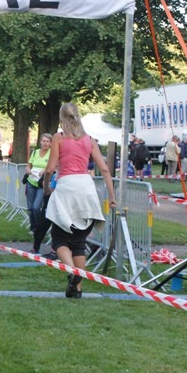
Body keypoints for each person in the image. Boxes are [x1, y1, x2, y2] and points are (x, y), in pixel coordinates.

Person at [43, 102, 116, 299]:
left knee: (59, 238)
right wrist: (112, 196)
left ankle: (72, 272)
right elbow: (105, 169)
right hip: (86, 188)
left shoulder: (59, 138)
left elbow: (50, 168)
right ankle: (78, 288)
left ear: (61, 118)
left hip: (67, 187)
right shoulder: (89, 140)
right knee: (79, 242)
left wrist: (46, 187)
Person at [24, 133, 52, 253]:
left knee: (36, 207)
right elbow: (28, 166)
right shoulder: (35, 153)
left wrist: (44, 171)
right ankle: (33, 226)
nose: (45, 143)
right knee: (30, 208)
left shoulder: (52, 154)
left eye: (47, 141)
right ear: (40, 142)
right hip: (31, 182)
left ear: (50, 143)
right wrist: (28, 170)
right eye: (43, 141)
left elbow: (52, 167)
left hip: (42, 184)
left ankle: (37, 228)